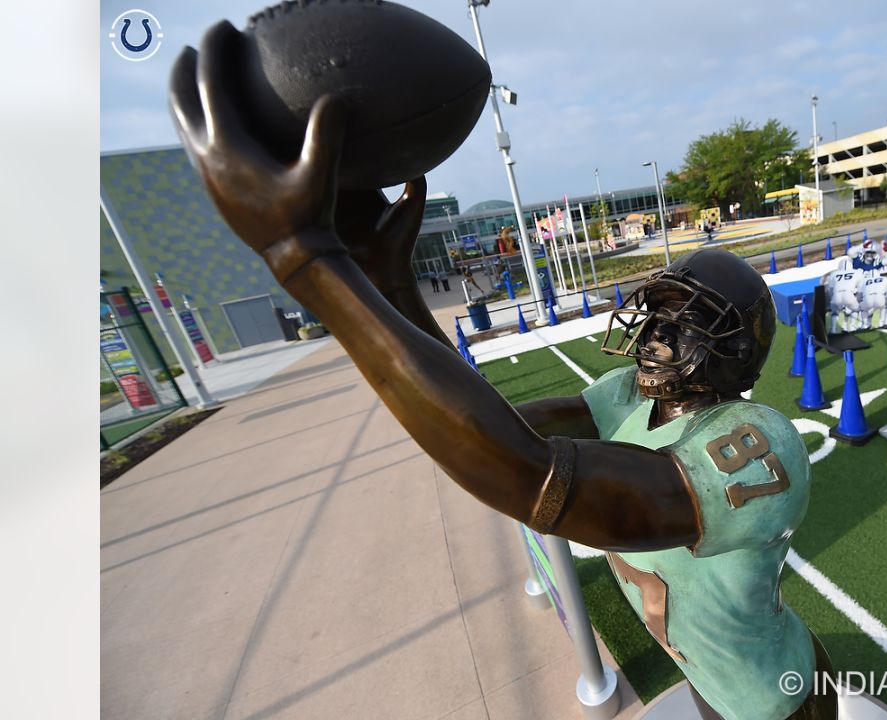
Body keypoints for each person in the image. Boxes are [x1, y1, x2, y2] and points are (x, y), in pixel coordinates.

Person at [170, 24, 836, 719]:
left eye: (685, 322)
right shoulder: (626, 397)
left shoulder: (758, 443)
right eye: (656, 312)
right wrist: (390, 286)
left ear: (735, 351)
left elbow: (525, 473)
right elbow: (486, 427)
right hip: (712, 675)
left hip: (775, 699)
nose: (654, 335)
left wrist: (301, 254)